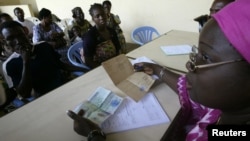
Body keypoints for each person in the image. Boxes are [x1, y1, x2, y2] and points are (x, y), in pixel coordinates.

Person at [67, 0, 250, 140]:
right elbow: (194, 95)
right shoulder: (229, 115)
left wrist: (94, 134)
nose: (189, 65)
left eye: (207, 57)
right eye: (197, 53)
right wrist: (157, 69)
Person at [0, 21, 88, 101]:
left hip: (64, 87)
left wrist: (83, 69)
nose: (18, 41)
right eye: (10, 38)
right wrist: (25, 61)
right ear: (4, 41)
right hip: (44, 99)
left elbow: (60, 64)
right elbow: (24, 93)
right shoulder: (10, 64)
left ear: (25, 32)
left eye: (20, 35)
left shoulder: (43, 46)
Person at [80, 3, 121, 69]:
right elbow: (88, 61)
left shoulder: (111, 31)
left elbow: (118, 49)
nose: (101, 18)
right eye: (97, 16)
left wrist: (118, 63)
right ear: (93, 19)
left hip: (114, 64)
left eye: (103, 14)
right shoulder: (90, 36)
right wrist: (106, 69)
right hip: (100, 68)